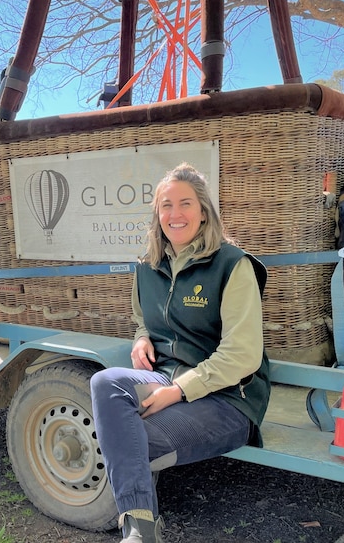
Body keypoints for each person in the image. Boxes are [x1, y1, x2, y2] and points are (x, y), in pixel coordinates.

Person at [90, 163, 270, 543]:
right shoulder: (147, 268)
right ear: (157, 214)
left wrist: (180, 390)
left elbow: (243, 354)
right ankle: (140, 527)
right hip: (167, 377)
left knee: (125, 439)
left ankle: (138, 531)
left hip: (228, 399)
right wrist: (141, 340)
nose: (175, 214)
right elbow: (143, 321)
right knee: (105, 382)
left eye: (185, 203)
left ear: (203, 210)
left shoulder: (232, 265)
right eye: (166, 205)